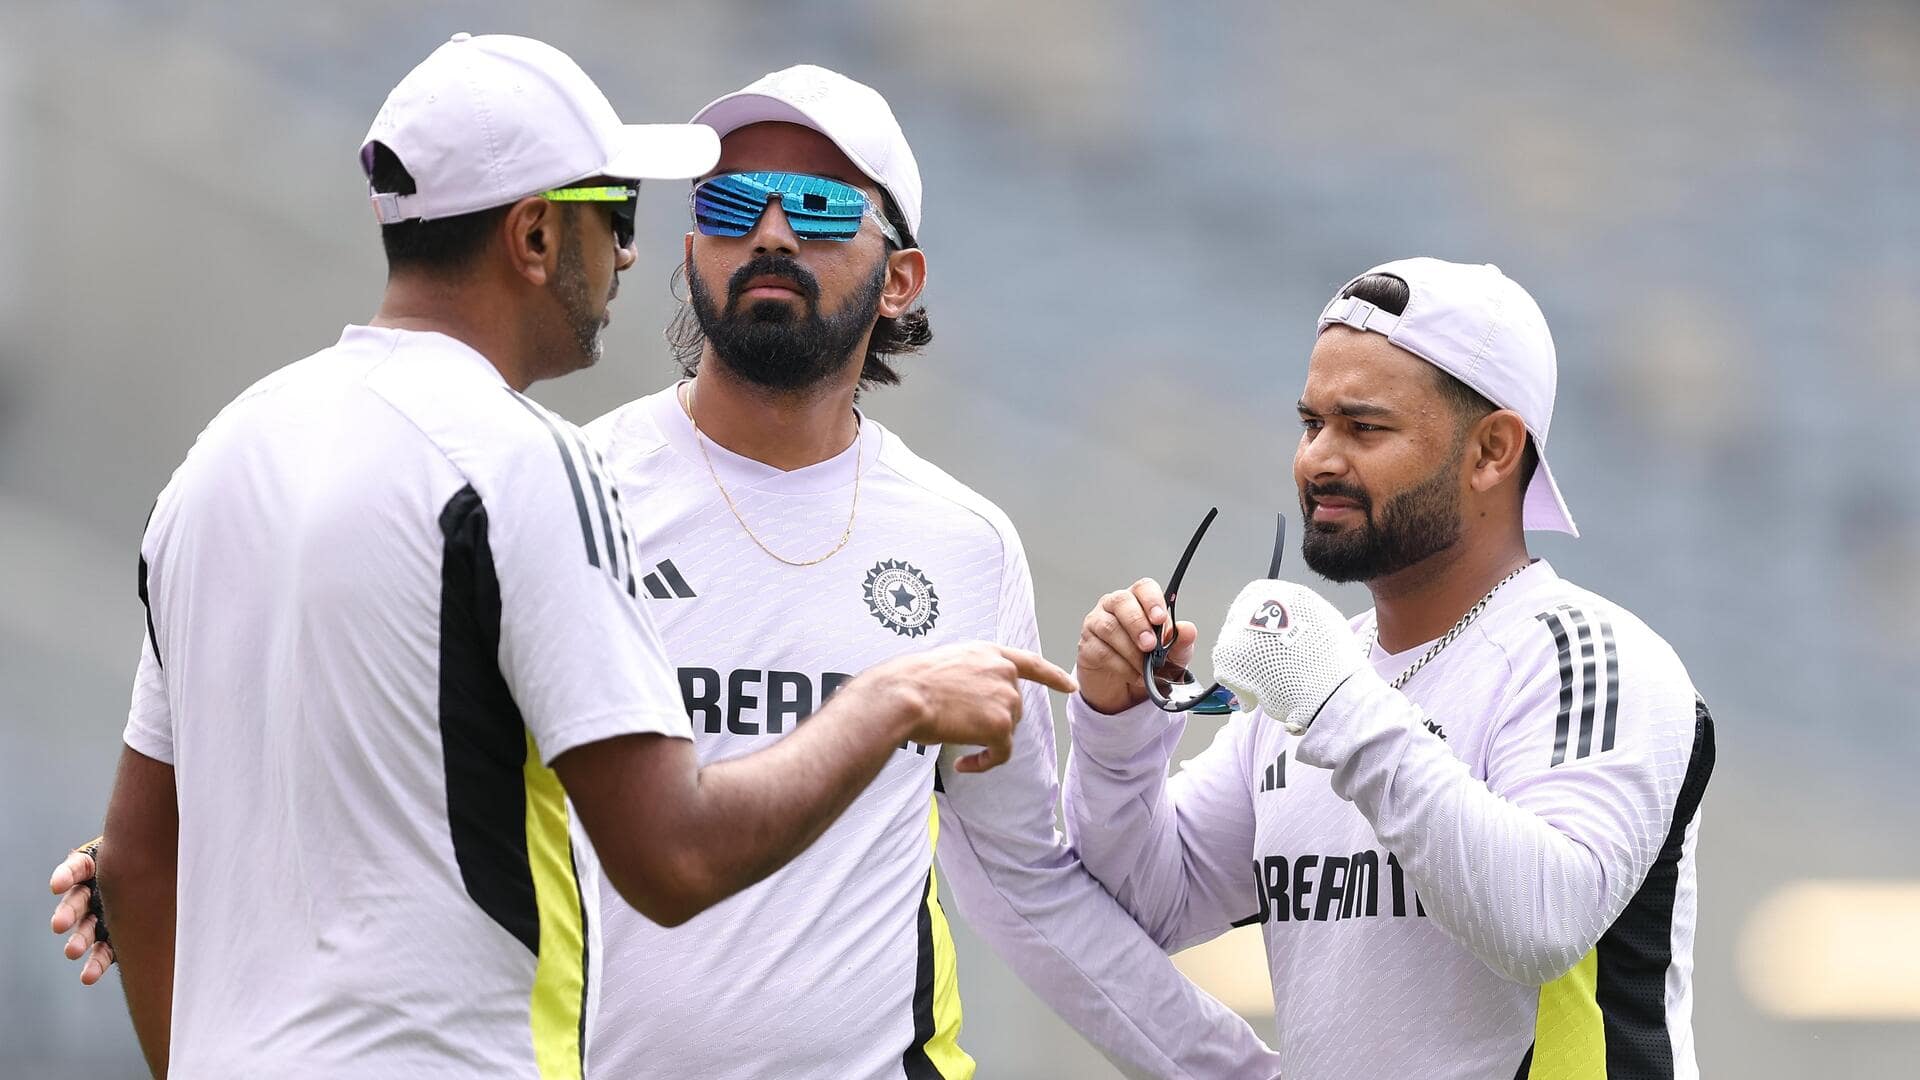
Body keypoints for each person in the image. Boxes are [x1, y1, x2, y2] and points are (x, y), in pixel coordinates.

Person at [57, 63, 1280, 1080]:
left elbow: (1026, 887)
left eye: (817, 202)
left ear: (901, 277)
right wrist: (208, 848)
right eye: (731, 196)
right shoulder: (559, 483)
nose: (769, 230)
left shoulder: (964, 542)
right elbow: (437, 798)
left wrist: (1234, 1070)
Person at [1063, 258, 1715, 1078]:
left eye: (1364, 429)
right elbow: (1150, 901)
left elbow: (1542, 920)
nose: (1318, 461)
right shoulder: (1322, 673)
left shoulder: (1589, 654)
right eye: (1311, 424)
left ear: (1492, 450)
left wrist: (1338, 703)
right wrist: (1115, 728)